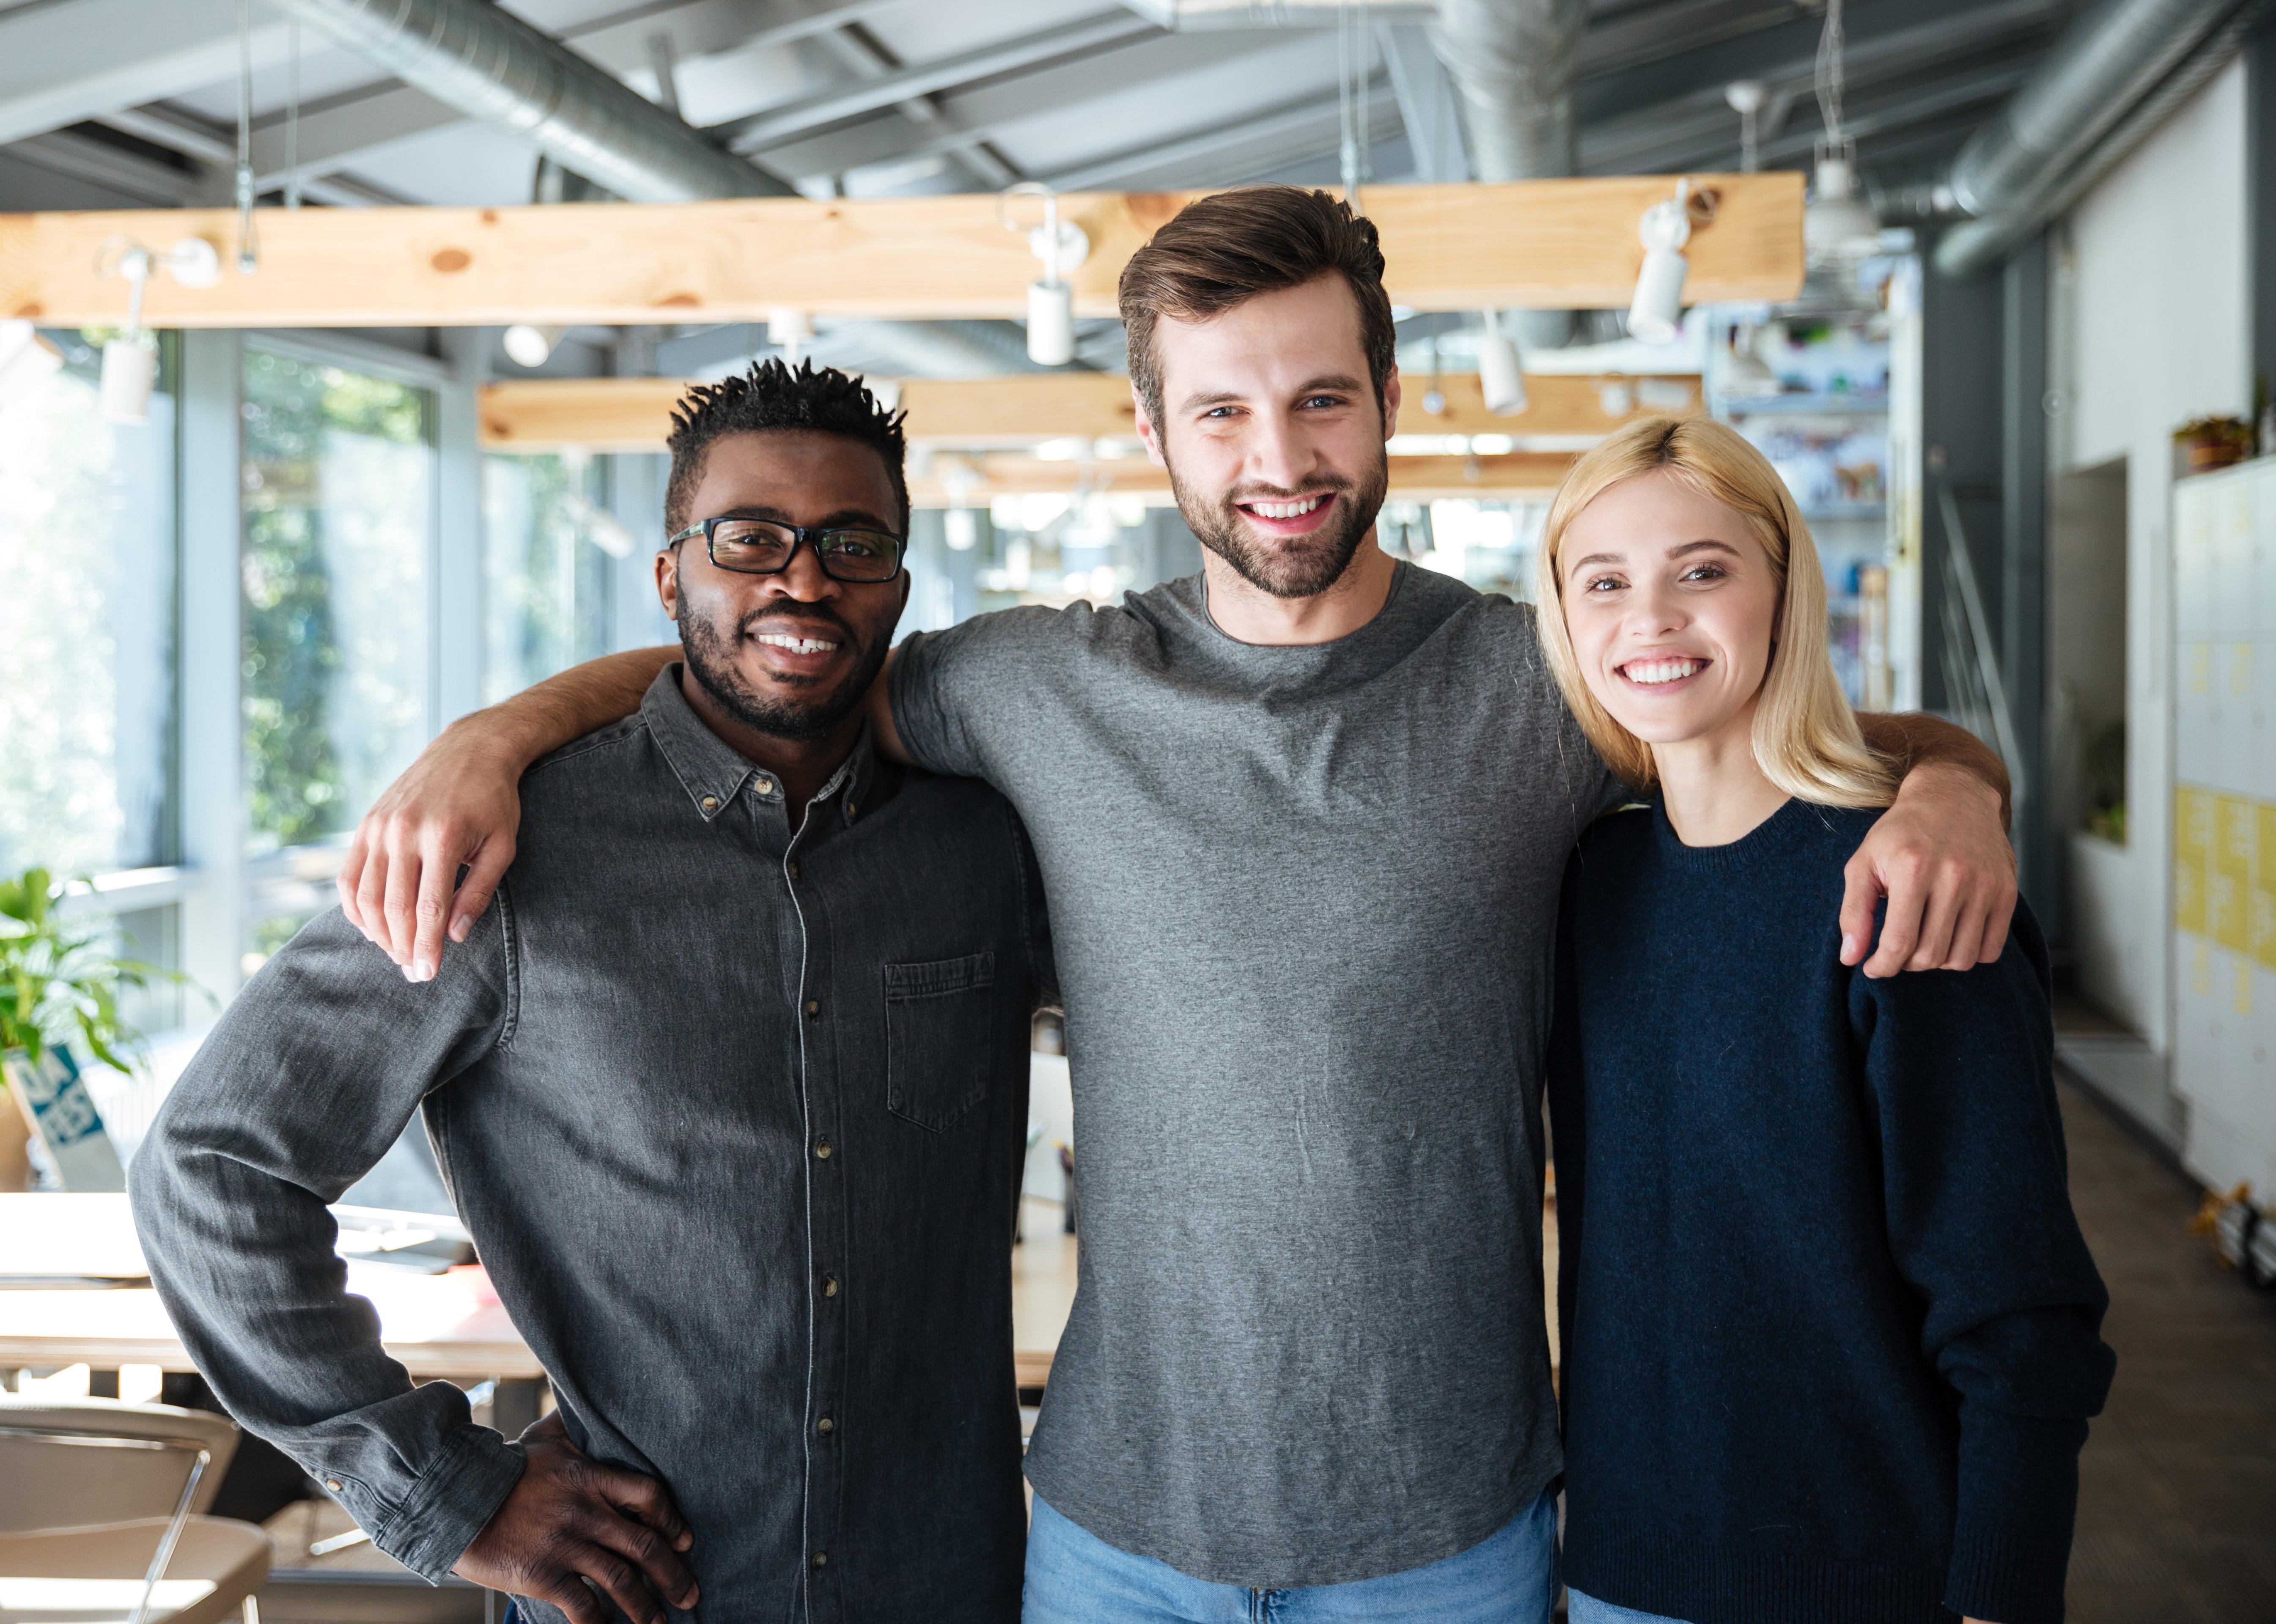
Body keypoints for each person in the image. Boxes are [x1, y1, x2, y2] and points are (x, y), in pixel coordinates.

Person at [338, 189, 2019, 1621]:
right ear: (1149, 435)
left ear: (1385, 405)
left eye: (1318, 400)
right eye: (1217, 411)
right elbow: (767, 662)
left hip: (1450, 1540)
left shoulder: (1542, 679)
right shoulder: (1033, 683)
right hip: (1111, 1540)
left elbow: (1793, 726)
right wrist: (499, 735)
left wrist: (1951, 783)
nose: (1274, 458)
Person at [130, 362, 1051, 1624]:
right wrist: (447, 1497)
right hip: (642, 1591)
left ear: (899, 580)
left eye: (854, 543)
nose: (803, 579)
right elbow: (214, 1166)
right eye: (751, 539)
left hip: (946, 1582)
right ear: (670, 574)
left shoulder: (986, 850)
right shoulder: (505, 852)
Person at [1537, 417, 2113, 1624]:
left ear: (1784, 593)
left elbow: (2021, 1308)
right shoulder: (1589, 886)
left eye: (1703, 571)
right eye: (1606, 583)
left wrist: (2000, 1599)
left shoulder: (1911, 888)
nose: (1649, 620)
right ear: (1563, 618)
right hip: (1620, 1570)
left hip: (1871, 1575)